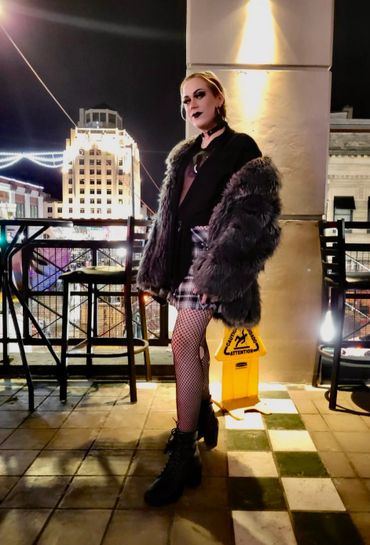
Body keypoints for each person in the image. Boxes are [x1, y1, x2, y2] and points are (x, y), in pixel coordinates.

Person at [137, 71, 281, 506]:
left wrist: (221, 264)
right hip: (181, 255)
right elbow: (169, 212)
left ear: (219, 98)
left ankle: (185, 453)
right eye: (185, 100)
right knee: (192, 343)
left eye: (199, 95)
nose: (192, 104)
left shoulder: (241, 148)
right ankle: (201, 415)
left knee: (182, 342)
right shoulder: (183, 154)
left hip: (212, 257)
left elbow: (256, 214)